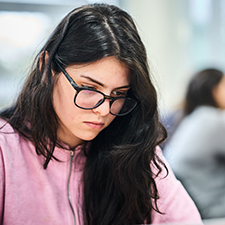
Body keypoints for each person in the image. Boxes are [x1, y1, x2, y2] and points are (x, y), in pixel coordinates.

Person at [0, 3, 202, 225]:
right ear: (46, 69)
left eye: (118, 93)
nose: (104, 110)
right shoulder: (5, 150)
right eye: (88, 88)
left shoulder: (134, 148)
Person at [163, 68, 225, 220]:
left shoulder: (191, 118)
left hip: (193, 203)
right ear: (214, 90)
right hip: (212, 208)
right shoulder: (214, 120)